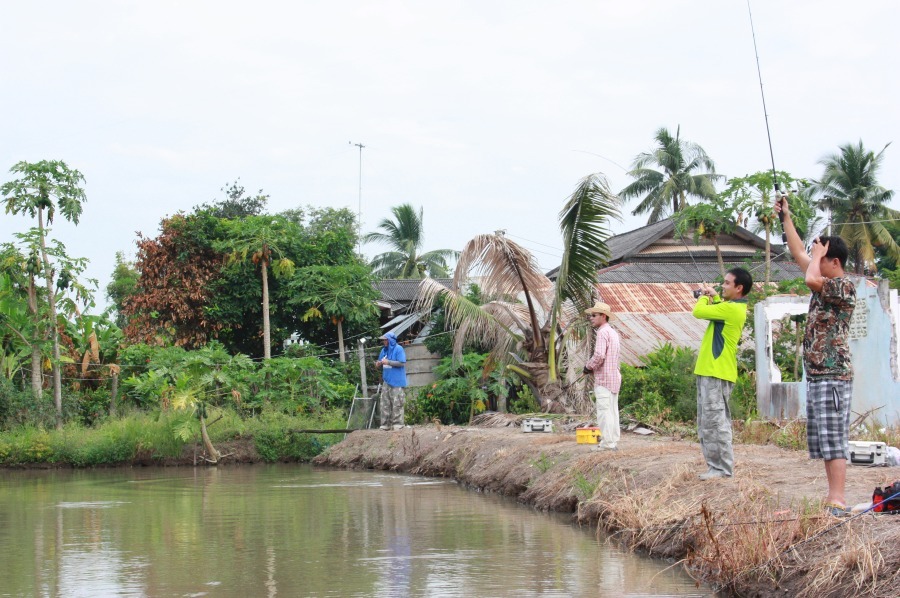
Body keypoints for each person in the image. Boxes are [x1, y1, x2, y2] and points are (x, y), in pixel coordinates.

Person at [775, 197, 855, 516]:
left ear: (833, 261)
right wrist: (786, 219)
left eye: (820, 257)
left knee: (834, 438)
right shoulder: (821, 284)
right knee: (823, 441)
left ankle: (837, 498)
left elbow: (809, 275)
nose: (813, 261)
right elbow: (799, 257)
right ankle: (831, 497)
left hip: (835, 376)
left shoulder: (843, 287)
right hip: (819, 375)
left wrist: (817, 254)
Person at [692, 267, 752, 480]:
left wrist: (702, 296)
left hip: (716, 373)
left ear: (739, 288)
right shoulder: (728, 308)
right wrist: (714, 296)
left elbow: (698, 312)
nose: (722, 286)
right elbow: (719, 308)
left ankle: (722, 469)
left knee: (716, 422)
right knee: (707, 423)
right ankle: (714, 467)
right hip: (709, 371)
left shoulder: (732, 310)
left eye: (727, 283)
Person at [583, 302, 622, 451]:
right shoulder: (612, 332)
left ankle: (607, 444)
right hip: (613, 378)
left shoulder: (602, 332)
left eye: (594, 315)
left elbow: (599, 355)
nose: (591, 318)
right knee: (612, 411)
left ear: (603, 316)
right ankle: (612, 442)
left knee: (604, 412)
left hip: (605, 379)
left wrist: (588, 367)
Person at [375, 332, 407, 430]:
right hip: (387, 380)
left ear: (391, 340)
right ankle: (385, 424)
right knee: (385, 403)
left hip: (397, 381)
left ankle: (398, 423)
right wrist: (378, 364)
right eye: (384, 340)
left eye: (385, 340)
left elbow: (402, 363)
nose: (384, 341)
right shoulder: (383, 351)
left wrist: (388, 362)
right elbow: (381, 361)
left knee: (397, 402)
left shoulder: (399, 349)